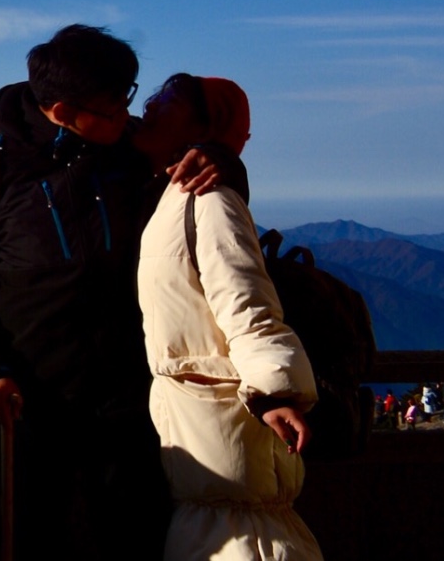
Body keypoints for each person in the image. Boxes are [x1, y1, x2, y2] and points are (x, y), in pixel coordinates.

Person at [0, 24, 241, 560]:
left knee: (137, 537)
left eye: (129, 98)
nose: (128, 115)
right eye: (113, 107)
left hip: (132, 402)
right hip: (28, 404)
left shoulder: (126, 152)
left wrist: (221, 160)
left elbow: (209, 196)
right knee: (30, 539)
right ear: (65, 109)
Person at [136, 74, 321, 561]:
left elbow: (247, 303)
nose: (149, 106)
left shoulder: (208, 199)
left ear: (204, 126)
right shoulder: (169, 195)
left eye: (167, 99)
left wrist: (275, 391)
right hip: (202, 441)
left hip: (227, 442)